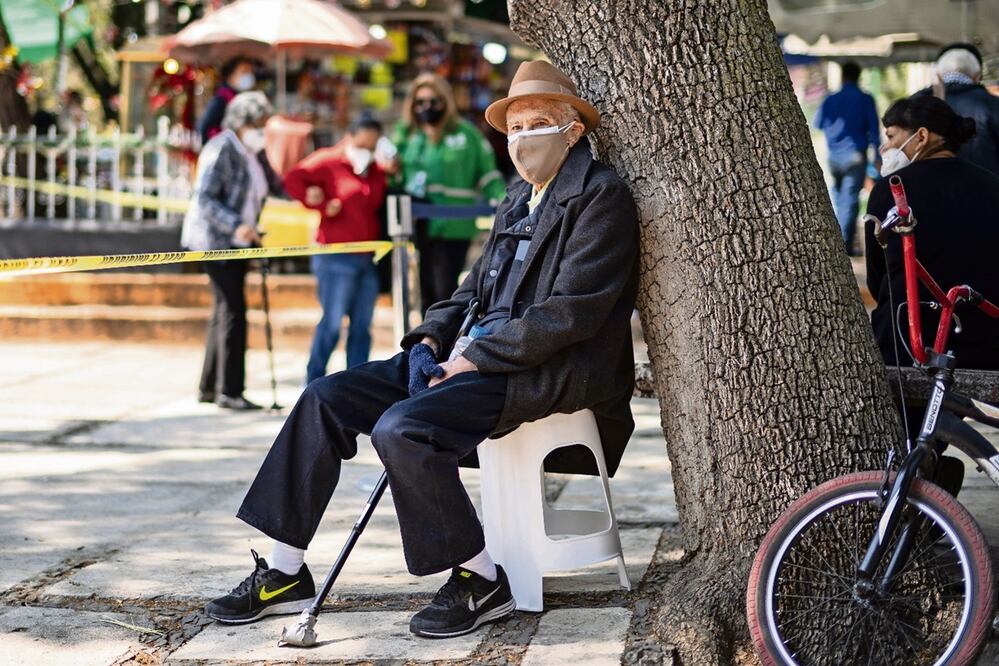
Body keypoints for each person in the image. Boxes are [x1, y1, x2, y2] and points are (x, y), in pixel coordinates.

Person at [205, 60, 640, 638]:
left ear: (572, 131)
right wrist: (431, 339)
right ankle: (285, 571)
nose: (520, 140)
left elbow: (570, 314)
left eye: (536, 123)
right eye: (513, 128)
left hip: (537, 367)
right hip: (472, 353)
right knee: (325, 397)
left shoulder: (600, 197)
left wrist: (469, 362)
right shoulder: (519, 197)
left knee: (402, 430)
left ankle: (483, 578)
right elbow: (470, 286)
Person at [865, 95, 999, 371]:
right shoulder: (993, 186)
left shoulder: (891, 189)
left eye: (891, 136)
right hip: (989, 340)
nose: (885, 147)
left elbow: (877, 276)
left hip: (907, 343)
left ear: (922, 136)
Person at [182, 92, 273, 410]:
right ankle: (230, 390)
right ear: (244, 121)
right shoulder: (222, 148)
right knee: (234, 310)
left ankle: (211, 386)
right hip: (217, 242)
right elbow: (204, 198)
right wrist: (237, 225)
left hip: (238, 242)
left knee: (224, 310)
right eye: (259, 122)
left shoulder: (248, 152)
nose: (263, 129)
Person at [283, 113, 388, 384]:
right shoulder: (328, 160)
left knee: (362, 326)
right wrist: (318, 203)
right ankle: (314, 381)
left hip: (367, 257)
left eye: (372, 146)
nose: (367, 151)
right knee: (331, 323)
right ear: (350, 138)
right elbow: (293, 179)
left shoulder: (375, 169)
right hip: (335, 257)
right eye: (363, 145)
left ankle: (357, 384)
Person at [391, 74, 507, 308]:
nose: (427, 107)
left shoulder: (466, 134)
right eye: (420, 102)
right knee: (424, 291)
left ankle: (443, 340)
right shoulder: (407, 136)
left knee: (444, 289)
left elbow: (487, 174)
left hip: (455, 224)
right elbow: (395, 177)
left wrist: (505, 201)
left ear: (445, 101)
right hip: (418, 224)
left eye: (433, 101)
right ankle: (423, 342)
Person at [814, 61, 881, 255]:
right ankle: (844, 245)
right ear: (858, 77)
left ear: (843, 76)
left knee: (837, 200)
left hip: (833, 156)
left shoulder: (830, 99)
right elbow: (875, 131)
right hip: (855, 156)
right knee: (850, 201)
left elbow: (817, 123)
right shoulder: (865, 99)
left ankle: (838, 241)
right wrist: (877, 155)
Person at [913, 43, 999, 177]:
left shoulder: (913, 104)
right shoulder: (993, 104)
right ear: (977, 76)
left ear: (938, 75)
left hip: (927, 189)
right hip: (985, 190)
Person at [196, 57, 257, 146]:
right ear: (231, 76)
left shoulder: (245, 99)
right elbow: (205, 129)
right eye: (244, 72)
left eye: (250, 71)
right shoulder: (221, 100)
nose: (249, 75)